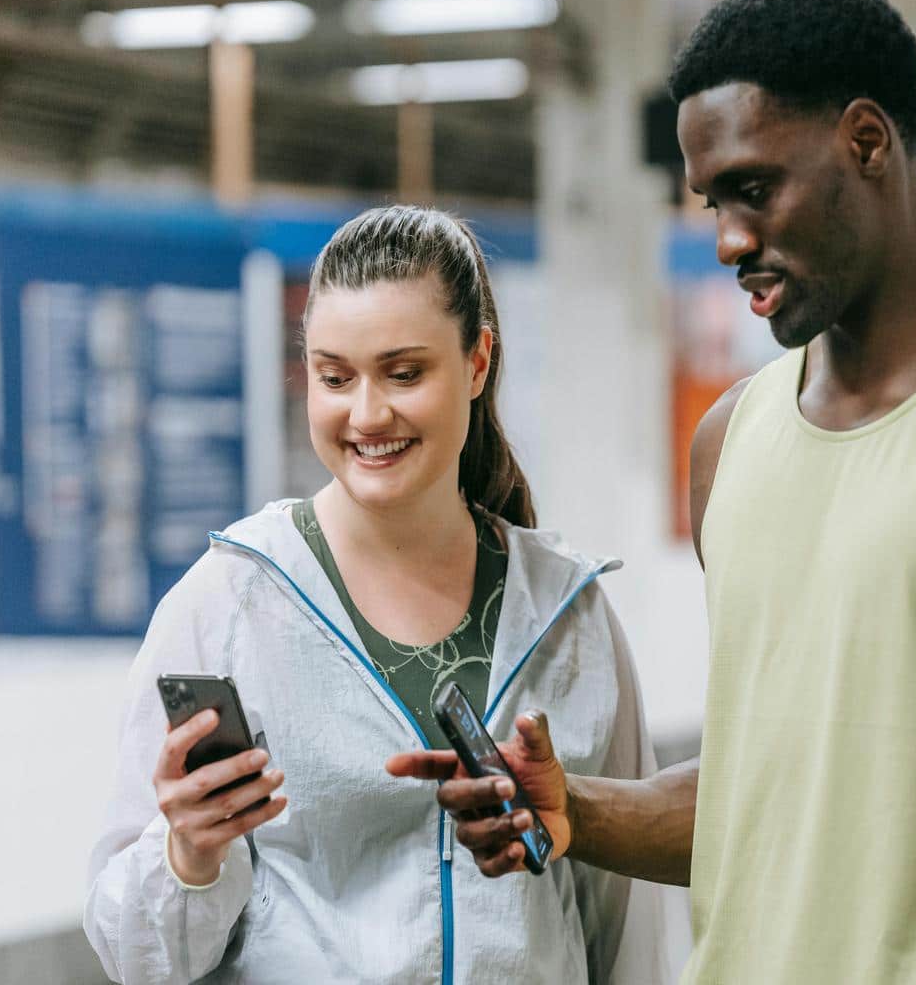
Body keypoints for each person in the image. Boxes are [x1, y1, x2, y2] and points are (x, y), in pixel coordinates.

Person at [388, 0, 916, 982]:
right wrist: (576, 809)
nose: (725, 239)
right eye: (712, 201)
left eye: (753, 189)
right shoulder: (730, 443)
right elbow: (774, 795)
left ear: (865, 142)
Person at [84, 205, 663, 985]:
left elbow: (625, 931)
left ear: (479, 362)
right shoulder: (230, 603)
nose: (366, 415)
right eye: (334, 377)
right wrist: (189, 854)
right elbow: (136, 958)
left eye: (404, 373)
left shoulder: (568, 612)